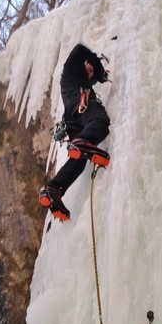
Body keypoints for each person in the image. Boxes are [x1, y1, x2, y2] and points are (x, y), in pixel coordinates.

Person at [39, 43, 111, 221]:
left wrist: (99, 76)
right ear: (84, 65)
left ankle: (54, 188)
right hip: (81, 106)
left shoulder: (82, 81)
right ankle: (84, 141)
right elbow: (80, 50)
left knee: (79, 160)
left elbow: (91, 78)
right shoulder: (71, 71)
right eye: (90, 69)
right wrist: (99, 66)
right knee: (100, 121)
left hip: (73, 119)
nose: (91, 72)